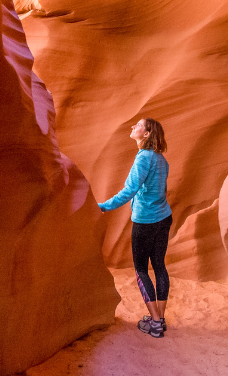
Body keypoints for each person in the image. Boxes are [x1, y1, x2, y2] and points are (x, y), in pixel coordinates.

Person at [98, 118, 173, 338]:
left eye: (138, 125)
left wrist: (103, 207)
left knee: (141, 269)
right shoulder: (161, 160)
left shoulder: (143, 159)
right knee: (159, 266)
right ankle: (160, 317)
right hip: (164, 217)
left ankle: (156, 323)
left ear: (147, 134)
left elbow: (129, 190)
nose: (133, 127)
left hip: (145, 221)